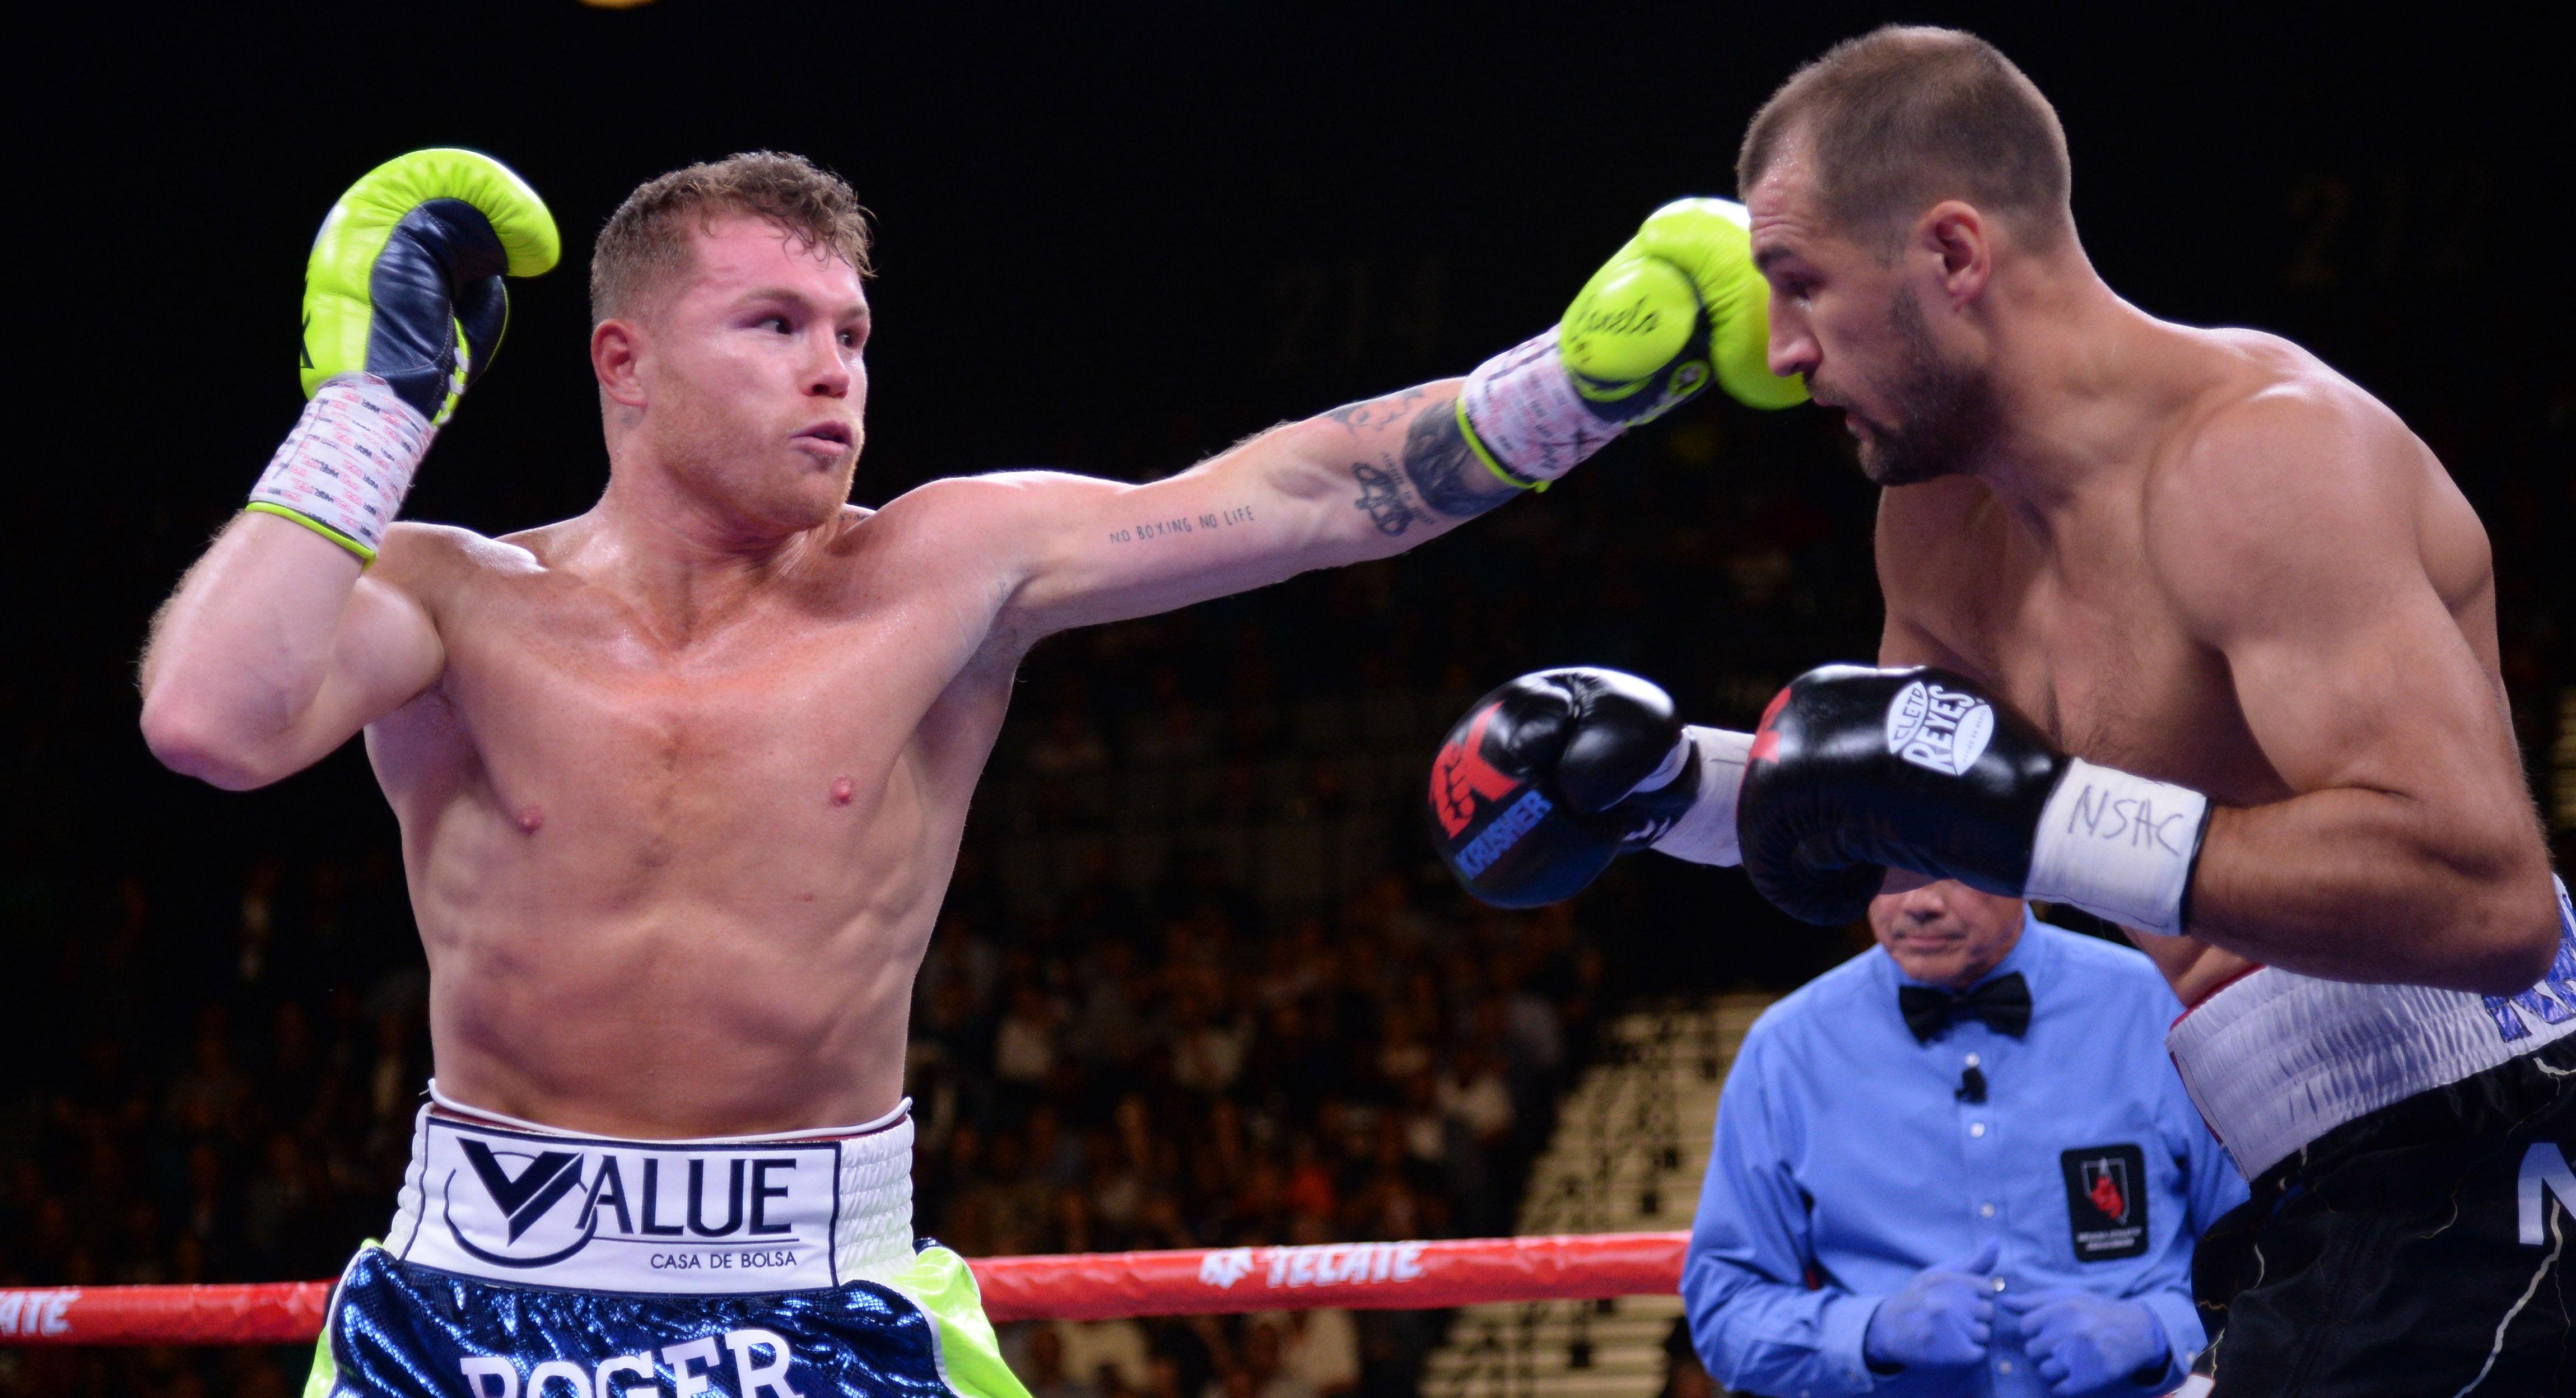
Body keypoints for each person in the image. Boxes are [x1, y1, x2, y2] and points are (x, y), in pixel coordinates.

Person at [136, 148, 1802, 1395]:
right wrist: (375, 405)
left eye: (853, 330)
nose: (833, 366)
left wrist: (1582, 386)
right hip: (465, 1303)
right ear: (622, 363)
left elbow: (1298, 497)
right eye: (774, 322)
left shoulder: (941, 568)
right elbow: (210, 718)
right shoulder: (452, 597)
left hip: (828, 1292)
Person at [1422, 27, 2574, 1395]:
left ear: (1954, 256)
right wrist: (1658, 784)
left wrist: (2040, 814)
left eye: (1802, 288)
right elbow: (1900, 803)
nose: (1778, 351)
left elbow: (2488, 907)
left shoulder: (2264, 461)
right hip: (2299, 1182)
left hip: (2501, 1138)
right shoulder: (1937, 523)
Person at [1683, 880, 2244, 1397]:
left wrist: (2159, 1331)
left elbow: (2275, 1253)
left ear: (2021, 860)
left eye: (1942, 867)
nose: (1917, 901)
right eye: (1888, 871)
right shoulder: (1787, 1053)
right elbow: (1724, 1309)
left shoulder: (2158, 1012)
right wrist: (1869, 1332)